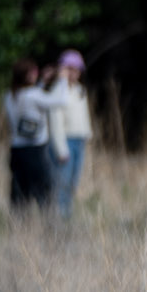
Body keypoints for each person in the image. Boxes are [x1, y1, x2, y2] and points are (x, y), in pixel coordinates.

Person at [4, 58, 65, 210]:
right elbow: (60, 101)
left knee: (20, 193)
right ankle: (48, 223)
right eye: (33, 72)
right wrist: (62, 79)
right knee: (44, 192)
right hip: (35, 150)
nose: (36, 74)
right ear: (26, 75)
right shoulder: (33, 94)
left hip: (16, 150)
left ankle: (19, 222)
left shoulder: (10, 95)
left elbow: (33, 96)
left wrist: (42, 82)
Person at [40, 48, 92, 218]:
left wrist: (87, 134)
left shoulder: (79, 90)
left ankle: (66, 217)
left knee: (72, 184)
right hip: (64, 142)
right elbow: (55, 122)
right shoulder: (57, 91)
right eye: (70, 69)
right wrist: (60, 149)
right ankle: (58, 220)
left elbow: (83, 115)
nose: (74, 73)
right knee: (61, 184)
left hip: (79, 141)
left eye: (77, 69)